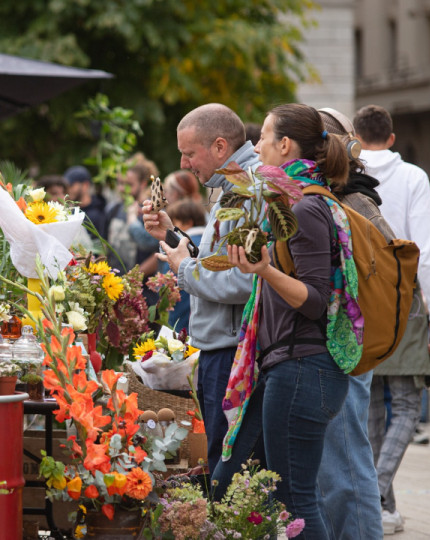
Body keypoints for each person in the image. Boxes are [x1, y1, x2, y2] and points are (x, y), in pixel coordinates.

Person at [215, 103, 353, 540]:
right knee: (267, 490)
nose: (256, 147)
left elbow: (315, 301)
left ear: (286, 145)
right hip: (292, 368)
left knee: (295, 500)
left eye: (263, 137)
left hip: (302, 368)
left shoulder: (306, 208)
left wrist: (265, 271)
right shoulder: (294, 202)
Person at [143, 103, 257, 473]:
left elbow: (246, 280)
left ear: (220, 146)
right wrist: (171, 235)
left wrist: (184, 269)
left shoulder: (246, 190)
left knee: (228, 469)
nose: (184, 163)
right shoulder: (231, 186)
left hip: (230, 349)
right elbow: (218, 261)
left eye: (189, 153)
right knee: (219, 463)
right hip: (220, 347)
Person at [353, 104, 430, 535]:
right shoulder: (412, 176)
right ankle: (375, 496)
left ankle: (381, 507)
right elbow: (423, 248)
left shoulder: (347, 172)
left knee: (372, 403)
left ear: (356, 137)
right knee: (407, 404)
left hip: (361, 296)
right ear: (391, 138)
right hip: (404, 295)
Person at [314, 106, 388, 540]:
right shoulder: (331, 196)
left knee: (346, 463)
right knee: (332, 468)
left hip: (346, 346)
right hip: (333, 344)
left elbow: (385, 271)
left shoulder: (354, 200)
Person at [160, 200, 205, 333]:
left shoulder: (181, 247)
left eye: (175, 223)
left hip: (182, 319)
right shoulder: (209, 243)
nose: (173, 229)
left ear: (188, 223)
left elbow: (167, 285)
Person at [64, 165, 108, 241]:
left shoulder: (102, 212)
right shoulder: (71, 213)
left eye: (71, 185)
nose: (68, 190)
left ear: (85, 185)